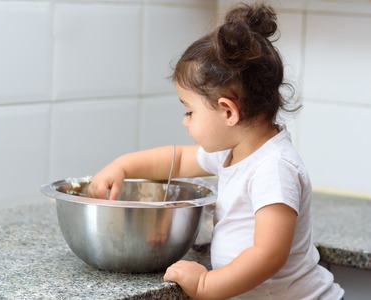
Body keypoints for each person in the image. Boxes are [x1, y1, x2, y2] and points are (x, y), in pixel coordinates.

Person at [88, 2, 344, 299]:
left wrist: (206, 285)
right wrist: (124, 166)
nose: (185, 122)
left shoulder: (274, 167)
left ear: (228, 112)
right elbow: (179, 159)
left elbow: (269, 254)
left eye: (190, 111)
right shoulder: (234, 150)